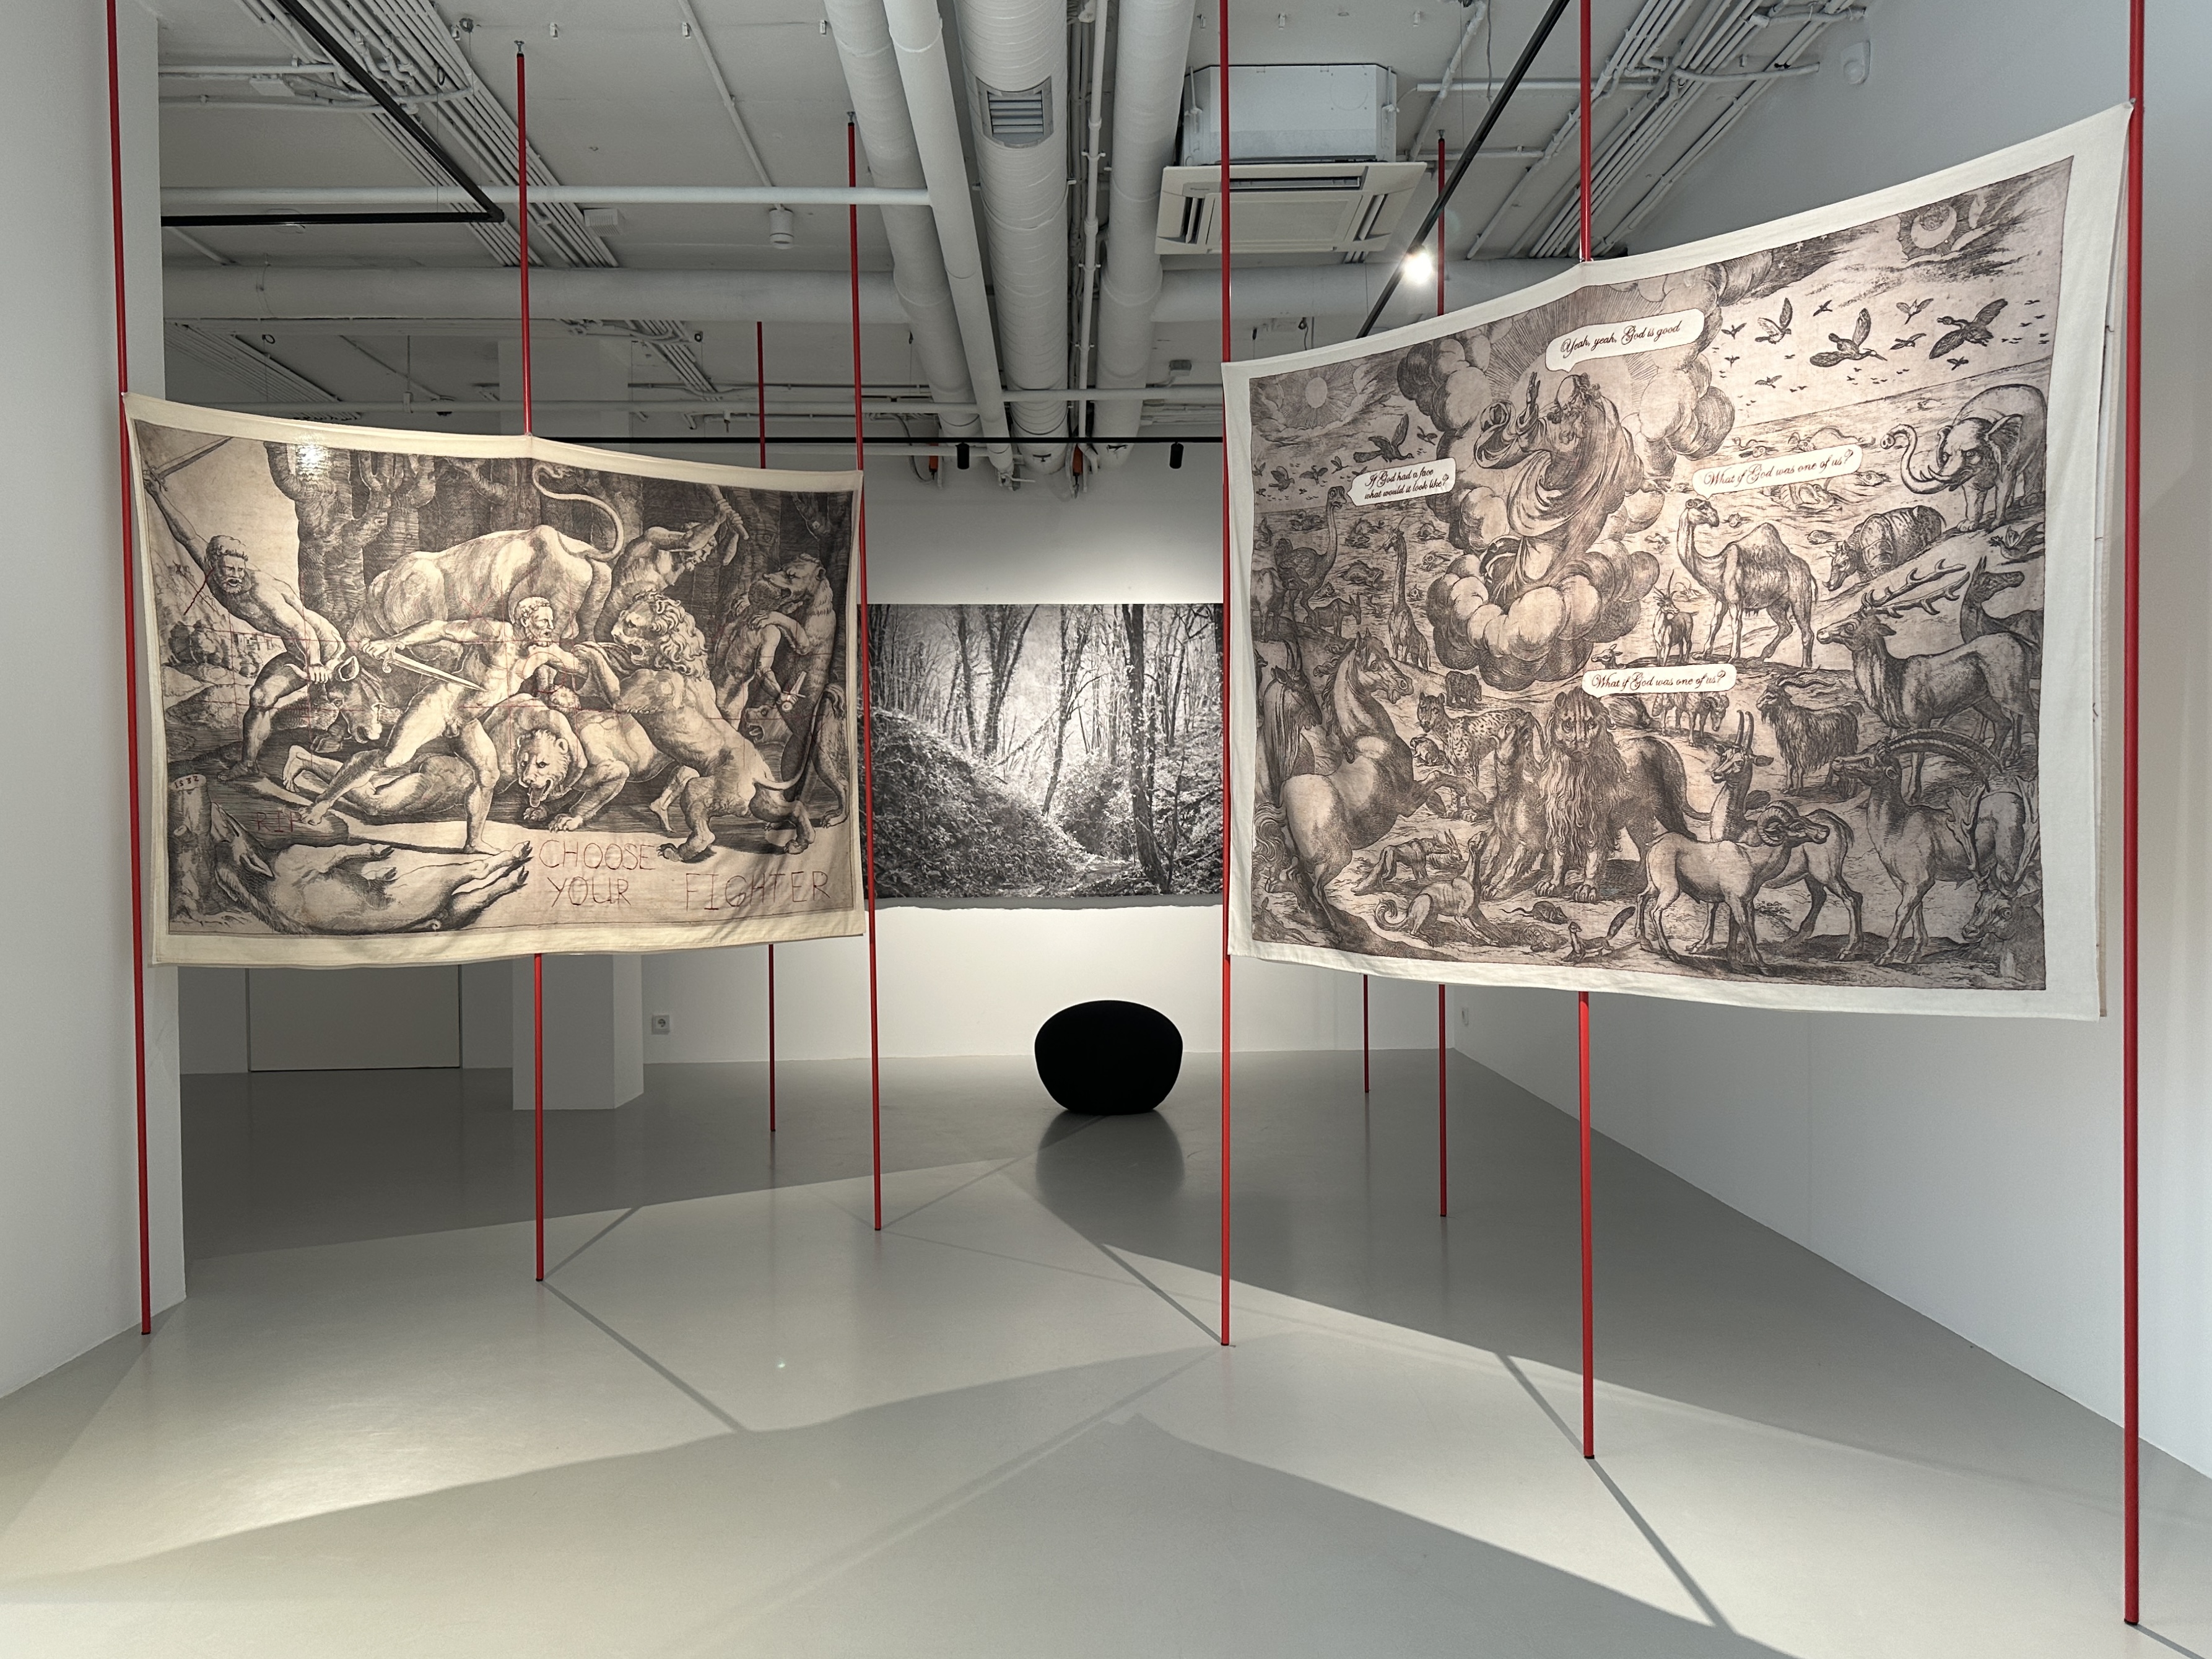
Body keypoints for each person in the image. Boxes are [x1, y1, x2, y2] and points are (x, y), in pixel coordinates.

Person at [300, 594, 586, 853]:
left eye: (551, 622)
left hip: (467, 719)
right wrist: (394, 642)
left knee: (488, 775)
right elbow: (440, 629)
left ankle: (473, 843)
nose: (550, 628)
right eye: (544, 622)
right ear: (524, 621)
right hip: (441, 703)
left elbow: (581, 665)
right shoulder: (496, 633)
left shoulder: (544, 653)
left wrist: (599, 656)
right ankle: (325, 801)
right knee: (392, 759)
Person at [144, 471, 353, 779]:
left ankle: (337, 742)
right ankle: (248, 764)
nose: (236, 577)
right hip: (297, 649)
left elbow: (301, 628)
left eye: (240, 570)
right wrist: (157, 494)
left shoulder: (261, 591)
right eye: (229, 570)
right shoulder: (212, 571)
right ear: (213, 564)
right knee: (259, 698)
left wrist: (318, 663)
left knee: (345, 698)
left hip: (322, 646)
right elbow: (185, 535)